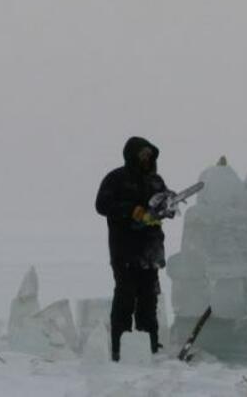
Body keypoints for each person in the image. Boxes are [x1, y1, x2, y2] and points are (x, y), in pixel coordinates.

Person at [95, 136, 174, 362]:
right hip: (124, 249)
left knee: (149, 299)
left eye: (149, 154)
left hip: (151, 248)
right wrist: (132, 210)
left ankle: (149, 346)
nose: (146, 158)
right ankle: (120, 347)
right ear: (131, 154)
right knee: (125, 296)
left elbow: (163, 205)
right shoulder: (116, 179)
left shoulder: (156, 181)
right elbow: (101, 205)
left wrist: (167, 208)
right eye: (142, 154)